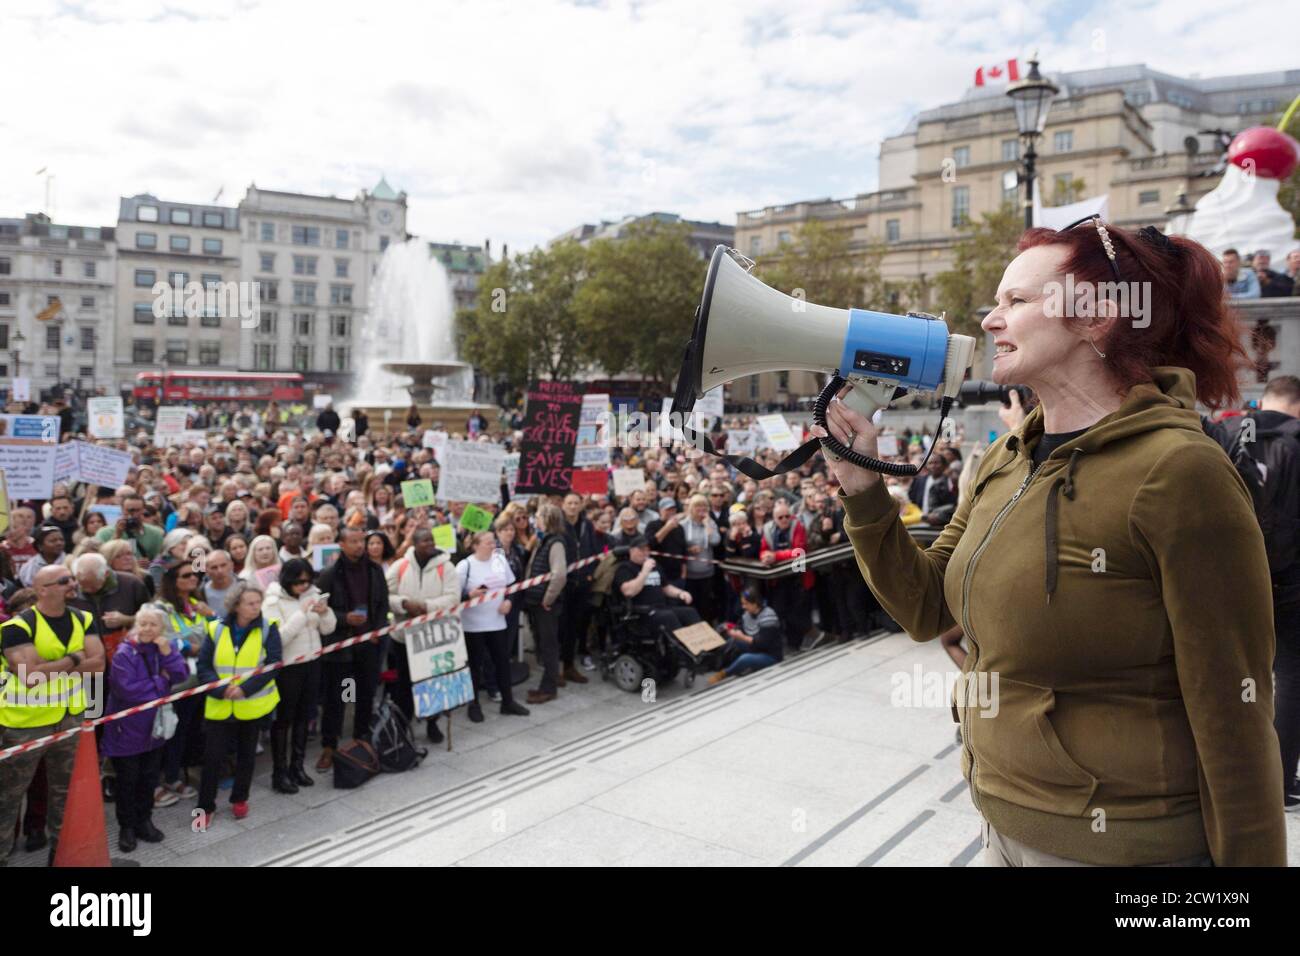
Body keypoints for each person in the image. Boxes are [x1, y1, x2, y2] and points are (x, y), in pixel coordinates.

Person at [815, 216, 1285, 866]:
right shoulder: (1008, 454)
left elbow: (1235, 710)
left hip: (1125, 850)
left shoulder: (1180, 472)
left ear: (1096, 319)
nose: (988, 319)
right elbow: (926, 608)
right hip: (998, 823)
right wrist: (863, 491)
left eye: (1016, 301)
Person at [1204, 375, 1300, 811]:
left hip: (1224, 576)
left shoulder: (1225, 430)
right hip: (1288, 578)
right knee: (1291, 674)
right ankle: (1278, 784)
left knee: (1226, 674)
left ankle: (1220, 776)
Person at [0, 564, 106, 865]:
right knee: (8, 796)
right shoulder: (16, 628)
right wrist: (74, 658)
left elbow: (98, 665)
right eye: (63, 581)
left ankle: (62, 855)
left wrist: (50, 665)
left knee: (66, 792)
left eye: (72, 578)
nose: (72, 583)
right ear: (42, 589)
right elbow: (29, 677)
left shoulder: (83, 618)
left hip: (70, 719)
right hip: (25, 725)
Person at [101, 606, 188, 852]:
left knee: (149, 778)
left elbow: (181, 674)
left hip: (154, 730)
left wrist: (167, 654)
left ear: (162, 628)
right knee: (127, 781)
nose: (148, 629)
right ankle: (126, 827)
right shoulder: (124, 653)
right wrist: (162, 681)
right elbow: (129, 691)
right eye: (144, 624)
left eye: (154, 624)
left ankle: (144, 820)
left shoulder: (163, 648)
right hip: (126, 731)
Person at [194, 581, 281, 826]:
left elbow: (274, 664)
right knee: (212, 759)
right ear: (235, 606)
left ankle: (240, 798)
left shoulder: (268, 628)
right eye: (250, 603)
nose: (256, 608)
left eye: (258, 603)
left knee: (247, 756)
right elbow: (204, 667)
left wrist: (245, 689)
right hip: (219, 705)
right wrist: (222, 689)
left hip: (250, 704)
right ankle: (204, 807)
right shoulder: (215, 629)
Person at [315, 526, 389, 769]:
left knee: (365, 691)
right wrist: (344, 618)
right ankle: (329, 745)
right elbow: (320, 609)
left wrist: (377, 630)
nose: (360, 545)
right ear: (342, 545)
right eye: (354, 541)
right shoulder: (329, 574)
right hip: (341, 646)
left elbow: (382, 604)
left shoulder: (375, 570)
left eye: (362, 541)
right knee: (338, 696)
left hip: (368, 643)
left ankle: (362, 737)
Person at [262, 558, 335, 793]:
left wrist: (324, 612)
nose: (304, 586)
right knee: (284, 720)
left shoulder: (313, 593)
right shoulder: (272, 601)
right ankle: (279, 772)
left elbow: (328, 629)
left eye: (308, 580)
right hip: (288, 667)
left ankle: (297, 766)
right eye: (299, 581)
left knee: (305, 717)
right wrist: (302, 614)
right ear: (287, 580)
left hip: (312, 662)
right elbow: (278, 639)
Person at [385, 526, 460, 743]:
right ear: (414, 544)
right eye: (424, 541)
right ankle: (402, 723)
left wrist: (426, 606)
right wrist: (404, 604)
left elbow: (453, 598)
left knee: (432, 683)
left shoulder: (446, 568)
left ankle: (432, 723)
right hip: (404, 637)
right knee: (404, 684)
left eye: (431, 540)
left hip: (432, 636)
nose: (429, 544)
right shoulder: (399, 567)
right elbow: (385, 594)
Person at [456, 532, 528, 719]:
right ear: (475, 545)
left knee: (502, 662)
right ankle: (474, 704)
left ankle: (508, 701)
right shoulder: (465, 566)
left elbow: (512, 585)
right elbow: (453, 597)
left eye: (493, 541)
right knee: (475, 665)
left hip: (497, 622)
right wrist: (469, 596)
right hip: (473, 625)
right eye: (488, 542)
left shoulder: (499, 560)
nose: (493, 544)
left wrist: (509, 602)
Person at [522, 504, 567, 705]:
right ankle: (551, 678)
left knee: (549, 646)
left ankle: (548, 688)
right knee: (545, 643)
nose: (535, 521)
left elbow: (559, 575)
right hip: (537, 601)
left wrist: (547, 599)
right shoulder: (543, 540)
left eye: (538, 517)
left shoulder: (555, 543)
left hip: (545, 604)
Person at [612, 535, 701, 636]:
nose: (645, 553)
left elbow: (665, 587)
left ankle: (708, 647)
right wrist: (644, 572)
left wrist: (680, 593)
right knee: (668, 616)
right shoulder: (624, 568)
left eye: (647, 550)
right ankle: (683, 650)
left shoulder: (655, 566)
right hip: (642, 612)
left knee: (689, 612)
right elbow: (629, 592)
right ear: (631, 551)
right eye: (641, 550)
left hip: (661, 607)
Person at [70, 552, 150, 663]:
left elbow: (152, 617)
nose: (87, 590)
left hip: (128, 656)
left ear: (106, 574)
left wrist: (126, 620)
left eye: (93, 586)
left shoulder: (131, 583)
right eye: (82, 585)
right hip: (91, 659)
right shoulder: (71, 591)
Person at [708, 587, 783, 684]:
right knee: (734, 641)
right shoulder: (748, 614)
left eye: (746, 604)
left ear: (755, 603)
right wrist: (732, 629)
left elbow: (762, 643)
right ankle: (719, 663)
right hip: (757, 649)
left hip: (771, 655)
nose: (743, 607)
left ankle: (724, 673)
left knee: (745, 658)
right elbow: (741, 627)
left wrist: (742, 637)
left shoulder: (768, 616)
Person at [681, 494, 721, 622]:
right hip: (690, 574)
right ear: (691, 508)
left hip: (707, 573)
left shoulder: (710, 523)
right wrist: (689, 550)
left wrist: (707, 525)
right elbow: (678, 547)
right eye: (697, 506)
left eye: (704, 506)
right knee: (692, 606)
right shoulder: (684, 525)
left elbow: (715, 541)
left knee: (706, 606)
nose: (701, 509)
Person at [94, 493, 164, 560]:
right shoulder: (105, 533)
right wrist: (117, 535)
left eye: (138, 510)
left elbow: (159, 561)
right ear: (122, 509)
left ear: (143, 510)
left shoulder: (155, 533)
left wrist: (150, 564)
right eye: (131, 510)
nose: (135, 514)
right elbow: (101, 558)